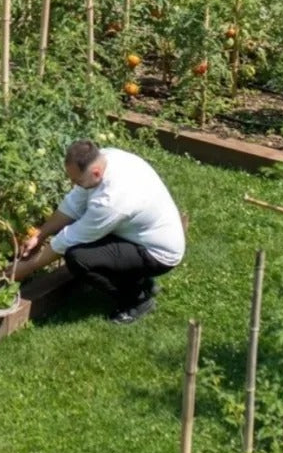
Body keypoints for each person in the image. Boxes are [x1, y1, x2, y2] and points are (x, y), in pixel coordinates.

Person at [12, 138, 185, 324]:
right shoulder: (107, 158)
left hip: (159, 255)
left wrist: (24, 269)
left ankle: (136, 300)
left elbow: (68, 239)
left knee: (79, 258)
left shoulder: (111, 201)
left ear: (95, 173)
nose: (74, 185)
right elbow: (73, 204)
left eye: (77, 181)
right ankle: (140, 281)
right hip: (145, 234)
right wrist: (40, 235)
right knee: (91, 241)